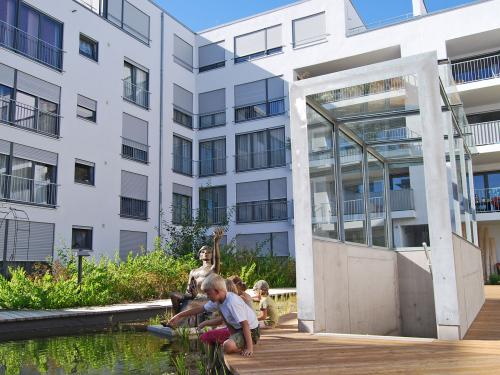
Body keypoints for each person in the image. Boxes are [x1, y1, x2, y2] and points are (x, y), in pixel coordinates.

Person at [167, 273, 260, 356]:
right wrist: (179, 316)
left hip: (252, 331)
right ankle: (238, 341)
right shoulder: (218, 300)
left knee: (227, 346)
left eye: (208, 293)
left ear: (217, 291)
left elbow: (245, 324)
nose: (207, 296)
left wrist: (249, 348)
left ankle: (248, 343)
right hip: (238, 330)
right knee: (223, 318)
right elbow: (200, 309)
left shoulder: (232, 302)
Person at [168, 228, 224, 315]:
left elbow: (217, 258)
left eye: (209, 252)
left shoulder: (213, 269)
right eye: (203, 252)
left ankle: (177, 323)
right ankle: (175, 318)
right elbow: (188, 289)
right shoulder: (193, 271)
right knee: (173, 295)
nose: (206, 253)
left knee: (188, 304)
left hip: (205, 298)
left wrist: (216, 242)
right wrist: (191, 295)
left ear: (212, 255)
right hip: (193, 296)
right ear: (199, 256)